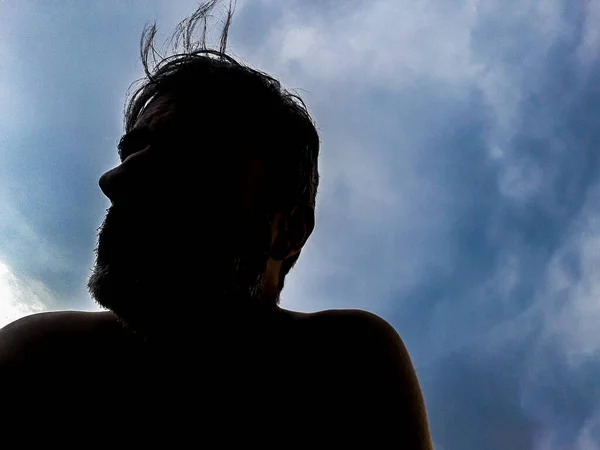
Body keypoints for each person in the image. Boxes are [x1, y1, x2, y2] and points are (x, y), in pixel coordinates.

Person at [0, 2, 432, 446]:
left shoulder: (344, 364)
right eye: (131, 153)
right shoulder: (43, 356)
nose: (114, 179)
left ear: (287, 231)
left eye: (187, 159)